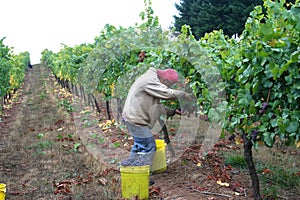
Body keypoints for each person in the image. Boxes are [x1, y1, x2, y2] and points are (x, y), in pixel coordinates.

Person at [121, 67, 190, 169]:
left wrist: (173, 111)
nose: (167, 87)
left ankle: (131, 171)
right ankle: (142, 173)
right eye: (169, 85)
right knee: (149, 147)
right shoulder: (149, 80)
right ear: (165, 80)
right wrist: (183, 94)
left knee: (139, 146)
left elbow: (156, 107)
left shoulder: (152, 83)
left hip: (133, 118)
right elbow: (167, 93)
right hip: (135, 120)